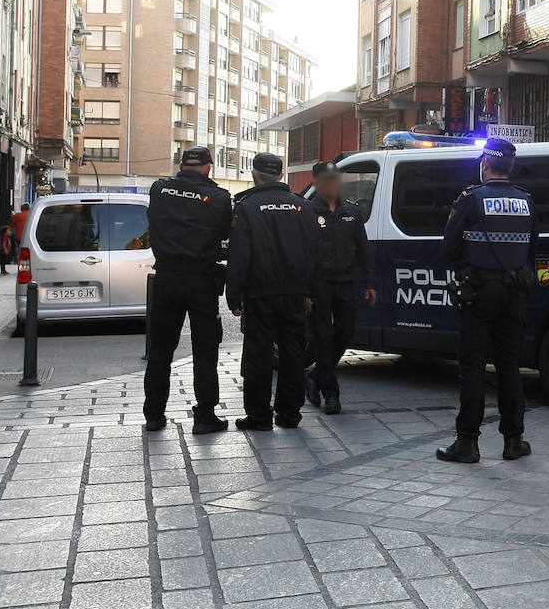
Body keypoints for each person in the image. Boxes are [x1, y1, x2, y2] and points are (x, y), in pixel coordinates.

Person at [437, 138, 539, 464]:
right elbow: (532, 251)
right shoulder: (526, 201)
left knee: (473, 367)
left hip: (479, 293)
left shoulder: (471, 199)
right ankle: (513, 441)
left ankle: (467, 443)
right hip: (514, 293)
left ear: (485, 164)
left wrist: (468, 270)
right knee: (509, 367)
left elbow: (449, 248)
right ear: (509, 167)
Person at [143, 147, 234, 434]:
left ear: (181, 165)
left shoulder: (160, 189)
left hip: (167, 279)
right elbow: (224, 235)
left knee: (160, 350)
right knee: (205, 350)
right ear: (209, 168)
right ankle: (205, 415)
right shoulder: (219, 198)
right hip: (201, 281)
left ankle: (154, 416)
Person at [226, 152, 318, 431]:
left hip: (260, 294)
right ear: (281, 175)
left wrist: (234, 295)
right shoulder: (303, 207)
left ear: (253, 174)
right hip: (294, 293)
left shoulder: (247, 206)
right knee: (293, 354)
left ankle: (259, 416)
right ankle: (290, 415)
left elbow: (239, 256)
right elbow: (314, 253)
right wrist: (309, 290)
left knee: (258, 355)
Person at [304, 160, 377, 415]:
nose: (332, 183)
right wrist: (304, 290)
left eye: (335, 179)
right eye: (326, 179)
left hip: (345, 282)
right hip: (318, 285)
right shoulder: (308, 212)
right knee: (322, 338)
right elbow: (300, 254)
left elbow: (363, 249)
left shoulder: (352, 212)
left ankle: (315, 377)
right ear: (317, 183)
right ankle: (331, 395)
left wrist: (370, 282)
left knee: (346, 332)